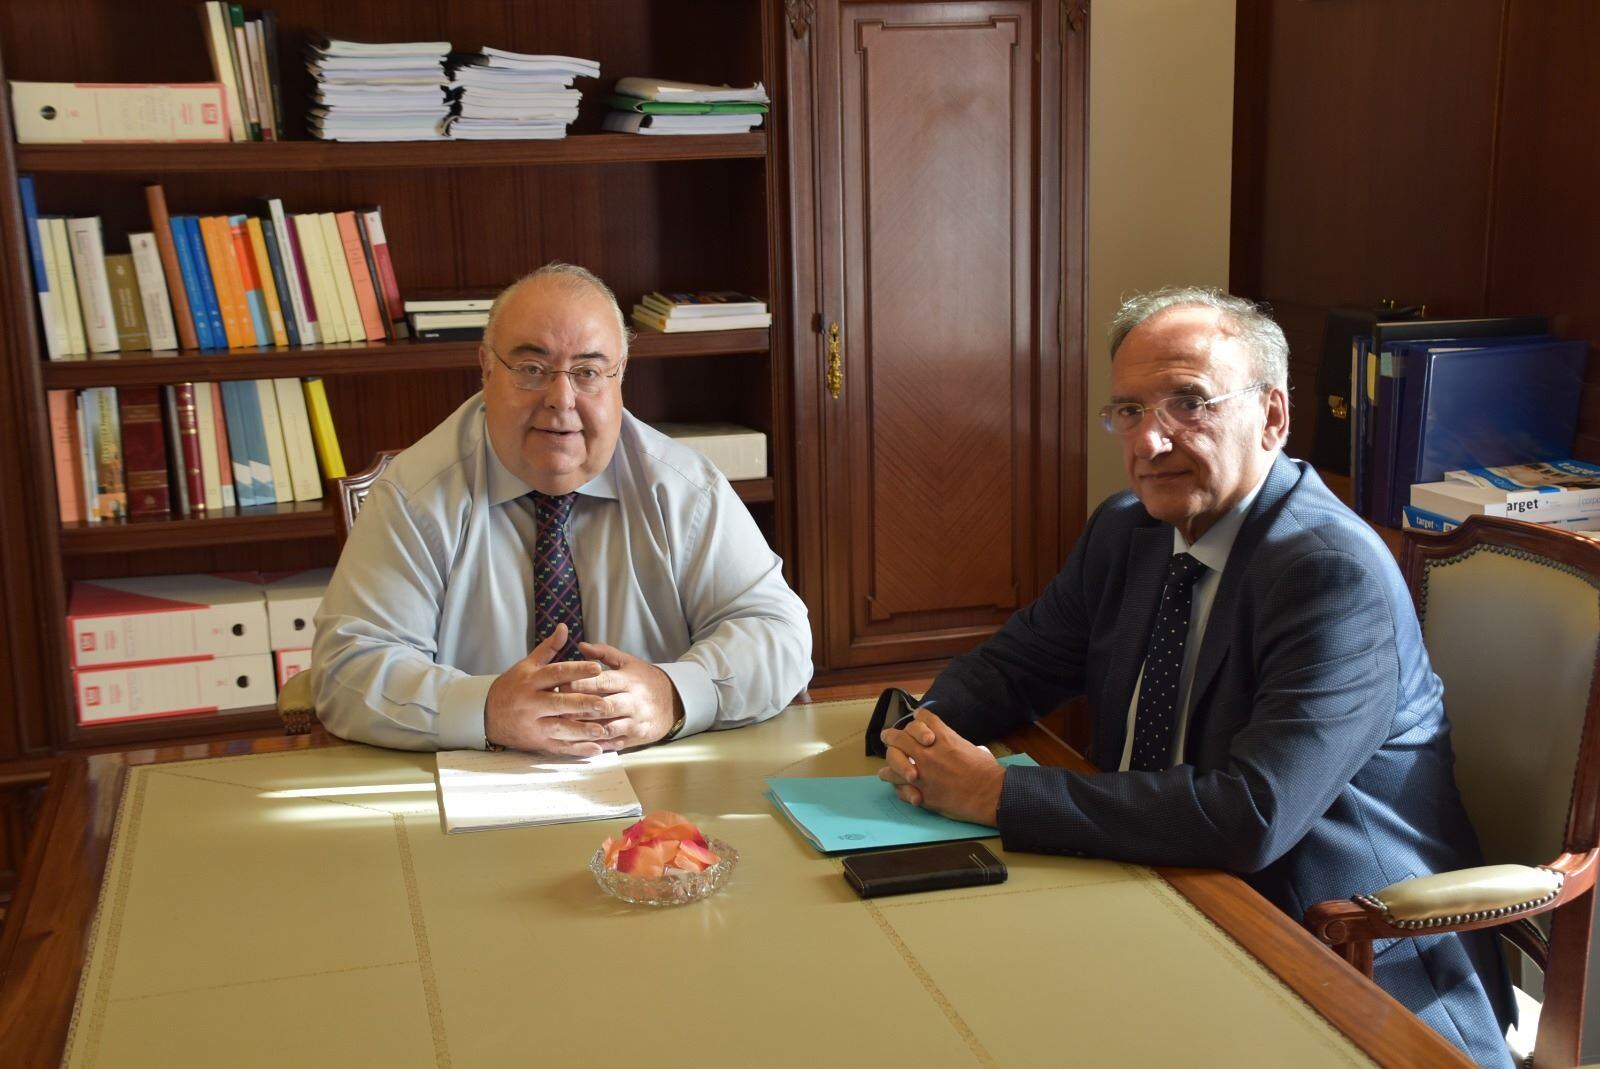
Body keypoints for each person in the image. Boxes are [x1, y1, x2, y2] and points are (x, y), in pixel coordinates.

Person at [878, 287, 1514, 1067]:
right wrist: (921, 728)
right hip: (1152, 889)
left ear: (1273, 418)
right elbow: (1016, 665)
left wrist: (994, 792)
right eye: (1130, 411)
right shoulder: (1128, 529)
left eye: (1188, 404)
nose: (1151, 441)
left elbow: (1252, 813)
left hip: (1340, 951)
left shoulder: (1330, 573)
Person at [312, 263, 812, 755]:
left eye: (589, 372)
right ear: (486, 369)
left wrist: (673, 694)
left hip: (657, 789)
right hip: (477, 789)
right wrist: (486, 709)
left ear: (620, 377)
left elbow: (780, 634)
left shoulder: (683, 489)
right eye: (532, 369)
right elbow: (346, 668)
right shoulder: (417, 495)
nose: (561, 399)